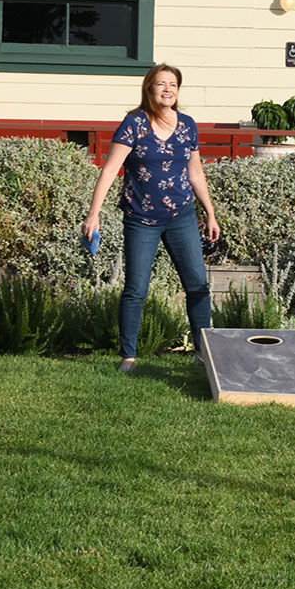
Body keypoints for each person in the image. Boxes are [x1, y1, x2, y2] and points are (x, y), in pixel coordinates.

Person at [83, 64, 221, 374]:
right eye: (161, 84)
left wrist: (210, 213)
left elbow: (195, 172)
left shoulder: (187, 125)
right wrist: (94, 214)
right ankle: (128, 357)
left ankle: (204, 353)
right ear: (150, 89)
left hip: (182, 217)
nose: (167, 89)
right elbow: (109, 170)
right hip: (140, 218)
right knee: (136, 289)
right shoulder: (134, 124)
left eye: (173, 84)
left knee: (197, 286)